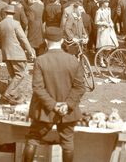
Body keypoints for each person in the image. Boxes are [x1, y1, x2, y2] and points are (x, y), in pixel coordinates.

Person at [23, 27, 86, 162]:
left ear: (46, 41)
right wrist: (67, 104)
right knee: (67, 143)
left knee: (33, 139)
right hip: (67, 111)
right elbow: (80, 87)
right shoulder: (73, 60)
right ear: (62, 40)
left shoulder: (40, 60)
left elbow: (38, 87)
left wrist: (53, 105)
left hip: (44, 110)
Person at [0, 5, 35, 105]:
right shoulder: (16, 23)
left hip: (6, 54)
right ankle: (8, 94)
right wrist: (30, 52)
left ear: (5, 13)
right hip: (17, 53)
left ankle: (14, 96)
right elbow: (23, 39)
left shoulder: (0, 24)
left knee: (13, 75)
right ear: (13, 14)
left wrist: (4, 48)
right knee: (20, 74)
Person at [95, 0, 118, 67]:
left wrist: (111, 23)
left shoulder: (108, 10)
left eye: (108, 2)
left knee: (111, 45)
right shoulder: (99, 11)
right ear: (102, 3)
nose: (108, 3)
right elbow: (96, 21)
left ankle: (106, 57)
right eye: (106, 2)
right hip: (102, 30)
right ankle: (101, 60)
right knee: (102, 46)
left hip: (109, 29)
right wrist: (104, 23)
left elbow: (109, 18)